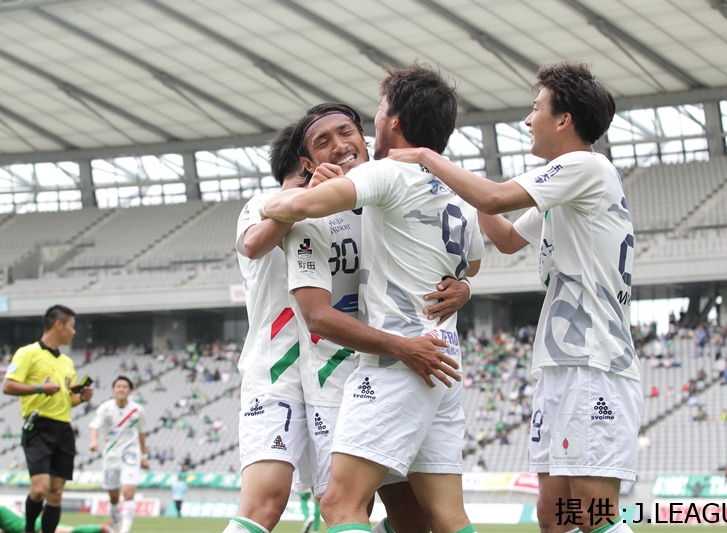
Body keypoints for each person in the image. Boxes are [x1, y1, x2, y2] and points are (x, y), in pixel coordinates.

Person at [387, 60, 642, 533]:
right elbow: (504, 237)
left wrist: (425, 156)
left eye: (536, 108)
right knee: (553, 514)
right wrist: (463, 190)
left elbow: (494, 198)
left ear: (563, 119)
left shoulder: (585, 166)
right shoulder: (566, 185)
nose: (528, 120)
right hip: (562, 363)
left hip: (595, 361)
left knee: (594, 514)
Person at [263, 63, 483, 533]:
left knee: (341, 504)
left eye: (378, 111)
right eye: (324, 140)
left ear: (393, 121)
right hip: (444, 359)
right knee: (444, 516)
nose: (373, 120)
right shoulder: (456, 190)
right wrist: (463, 284)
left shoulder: (386, 175)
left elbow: (296, 206)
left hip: (399, 358)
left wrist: (268, 203)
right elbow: (475, 262)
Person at [223, 124, 310, 533]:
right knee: (264, 507)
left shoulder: (344, 214)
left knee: (345, 504)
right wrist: (306, 198)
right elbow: (254, 244)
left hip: (334, 375)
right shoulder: (262, 204)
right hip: (278, 373)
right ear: (306, 162)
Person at [3, 304, 94, 533]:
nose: (74, 332)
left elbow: (68, 399)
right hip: (39, 426)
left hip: (63, 428)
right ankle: (29, 529)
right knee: (39, 489)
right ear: (58, 324)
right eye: (72, 326)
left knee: (56, 492)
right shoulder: (28, 353)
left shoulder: (67, 362)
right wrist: (39, 388)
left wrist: (81, 398)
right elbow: (8, 386)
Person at [89, 376, 149, 533]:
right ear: (113, 390)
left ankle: (125, 530)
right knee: (114, 497)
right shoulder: (105, 408)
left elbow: (142, 433)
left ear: (130, 391)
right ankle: (116, 525)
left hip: (130, 454)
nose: (121, 389)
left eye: (124, 387)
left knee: (128, 493)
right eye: (118, 386)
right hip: (110, 455)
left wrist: (144, 456)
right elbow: (95, 426)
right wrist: (93, 442)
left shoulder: (137, 410)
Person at [0, 497, 114, 533]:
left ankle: (101, 528)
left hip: (35, 528)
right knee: (69, 531)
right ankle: (101, 528)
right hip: (34, 526)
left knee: (70, 531)